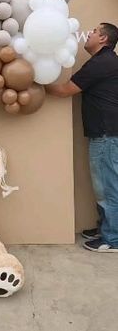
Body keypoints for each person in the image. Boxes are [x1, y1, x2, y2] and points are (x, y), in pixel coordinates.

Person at [45, 22, 118, 252]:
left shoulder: (102, 63)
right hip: (106, 133)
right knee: (105, 186)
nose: (89, 35)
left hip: (106, 134)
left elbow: (66, 90)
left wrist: (37, 81)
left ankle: (112, 239)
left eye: (95, 32)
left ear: (104, 39)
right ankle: (106, 227)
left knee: (108, 188)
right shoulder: (106, 62)